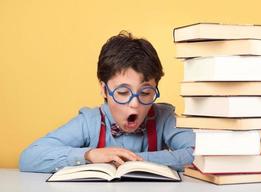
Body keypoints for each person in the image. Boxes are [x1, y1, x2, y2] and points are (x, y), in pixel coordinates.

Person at [19, 31, 195, 173]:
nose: (134, 104)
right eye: (123, 92)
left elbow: (200, 154)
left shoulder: (164, 117)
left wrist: (133, 161)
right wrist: (89, 155)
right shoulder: (90, 122)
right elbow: (29, 157)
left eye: (146, 92)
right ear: (104, 90)